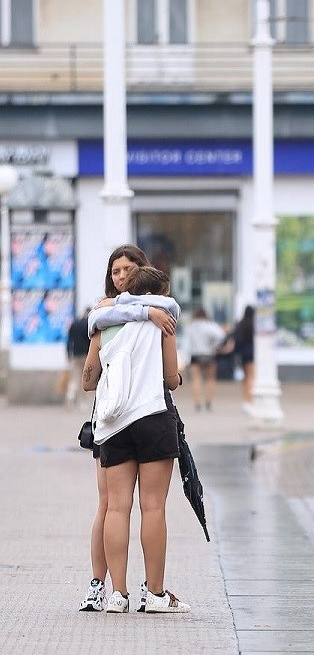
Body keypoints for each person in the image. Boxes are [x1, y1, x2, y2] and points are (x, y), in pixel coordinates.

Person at [78, 244, 179, 613]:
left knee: (116, 508)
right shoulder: (163, 319)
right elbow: (171, 378)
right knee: (153, 508)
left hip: (113, 424)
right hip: (152, 417)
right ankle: (155, 594)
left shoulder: (102, 322)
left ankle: (117, 595)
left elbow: (88, 380)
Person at [182, 307, 226, 411]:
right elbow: (221, 335)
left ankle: (197, 403)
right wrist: (214, 346)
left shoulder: (190, 326)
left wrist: (186, 357)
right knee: (210, 379)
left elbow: (186, 343)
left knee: (196, 379)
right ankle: (209, 402)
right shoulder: (210, 325)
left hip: (195, 355)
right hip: (208, 354)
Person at [225, 306, 256, 413]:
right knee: (251, 377)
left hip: (243, 355)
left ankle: (246, 400)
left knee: (246, 378)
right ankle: (250, 400)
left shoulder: (241, 324)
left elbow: (236, 339)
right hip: (252, 354)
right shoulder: (255, 325)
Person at [64, 307, 91, 410]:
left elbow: (69, 341)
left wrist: (68, 354)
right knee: (85, 379)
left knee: (75, 379)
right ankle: (82, 403)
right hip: (86, 356)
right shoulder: (88, 324)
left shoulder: (74, 324)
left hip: (75, 355)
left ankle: (70, 396)